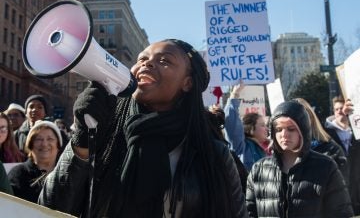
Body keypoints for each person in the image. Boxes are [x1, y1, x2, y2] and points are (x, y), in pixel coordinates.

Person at [39, 39, 248, 218]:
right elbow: (49, 208)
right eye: (141, 59)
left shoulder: (213, 154)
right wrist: (83, 141)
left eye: (164, 60)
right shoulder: (103, 135)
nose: (146, 64)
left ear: (187, 83)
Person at [246, 100, 353, 217]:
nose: (284, 134)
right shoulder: (258, 169)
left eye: (291, 129)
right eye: (278, 129)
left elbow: (341, 213)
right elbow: (250, 212)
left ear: (303, 130)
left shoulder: (326, 167)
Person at [295, 98, 349, 184]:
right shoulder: (281, 154)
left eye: (301, 117)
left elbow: (341, 187)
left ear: (311, 118)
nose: (297, 124)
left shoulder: (331, 149)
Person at [8, 120, 62, 203]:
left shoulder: (66, 175)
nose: (44, 144)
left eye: (50, 139)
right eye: (39, 139)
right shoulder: (18, 174)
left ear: (58, 145)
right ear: (31, 145)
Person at [324, 96, 360, 215]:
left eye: (342, 108)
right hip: (337, 182)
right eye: (336, 109)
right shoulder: (327, 132)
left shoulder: (356, 130)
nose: (340, 111)